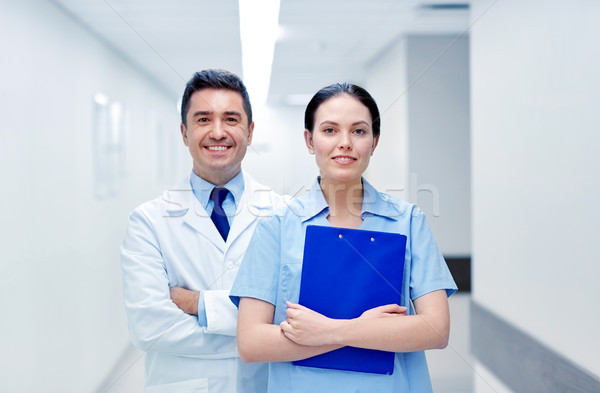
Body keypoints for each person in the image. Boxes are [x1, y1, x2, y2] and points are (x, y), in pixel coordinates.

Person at [230, 83, 457, 392]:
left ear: (374, 142)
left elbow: (436, 330)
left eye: (359, 131)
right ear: (310, 141)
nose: (345, 143)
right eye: (330, 130)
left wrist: (329, 331)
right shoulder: (277, 228)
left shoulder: (408, 221)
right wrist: (367, 332)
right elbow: (252, 343)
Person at [121, 69, 282, 393]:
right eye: (204, 119)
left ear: (250, 132)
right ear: (184, 132)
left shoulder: (283, 213)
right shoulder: (148, 223)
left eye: (231, 119)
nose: (218, 132)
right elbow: (150, 328)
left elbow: (297, 314)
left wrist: (200, 305)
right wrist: (259, 335)